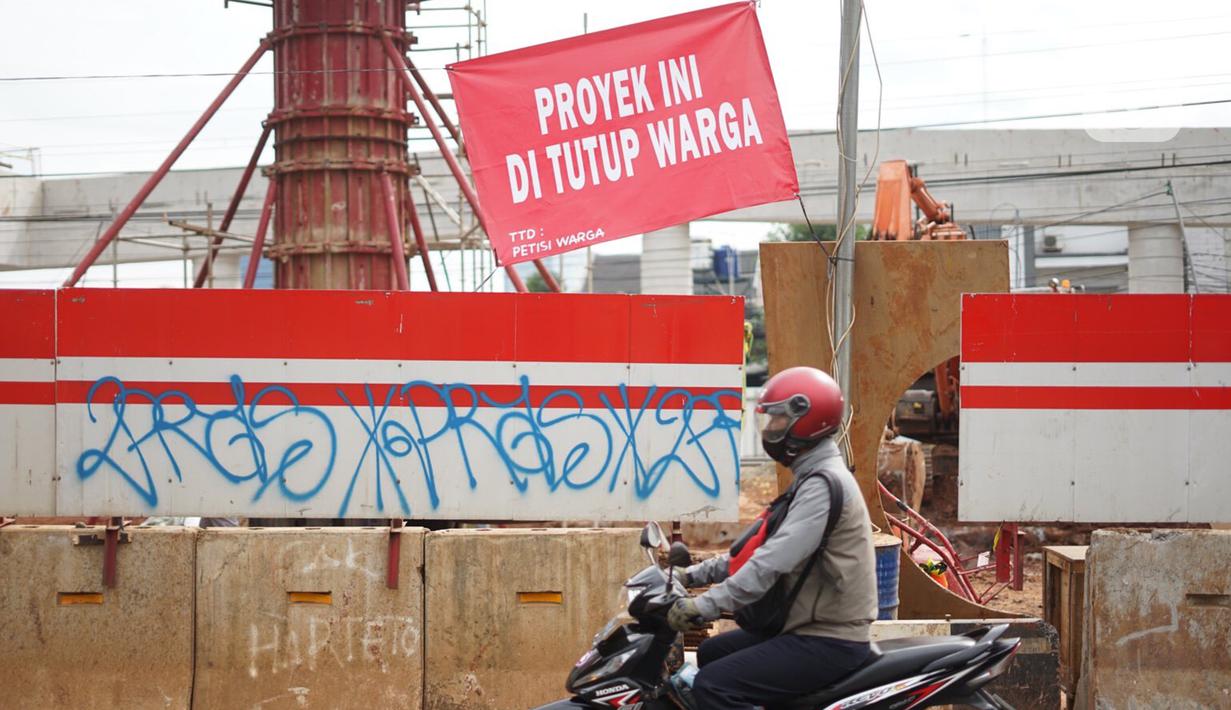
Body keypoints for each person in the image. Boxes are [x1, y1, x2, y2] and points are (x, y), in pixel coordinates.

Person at [667, 366, 878, 710]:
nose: (770, 430)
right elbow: (754, 550)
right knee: (709, 652)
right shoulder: (811, 478)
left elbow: (771, 562)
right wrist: (692, 576)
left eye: (777, 420)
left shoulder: (822, 486)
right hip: (805, 626)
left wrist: (706, 605)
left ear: (806, 421)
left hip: (829, 639)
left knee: (713, 686)